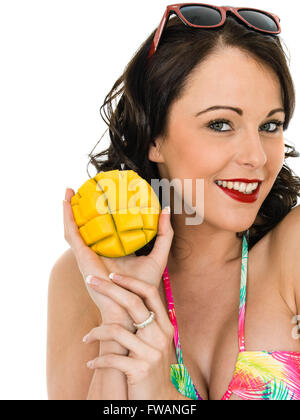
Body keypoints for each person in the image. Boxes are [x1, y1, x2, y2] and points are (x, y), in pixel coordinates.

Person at [47, 3, 300, 400]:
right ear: (153, 137)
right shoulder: (86, 278)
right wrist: (119, 331)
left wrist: (160, 391)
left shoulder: (294, 250)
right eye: (221, 124)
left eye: (270, 125)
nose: (256, 156)